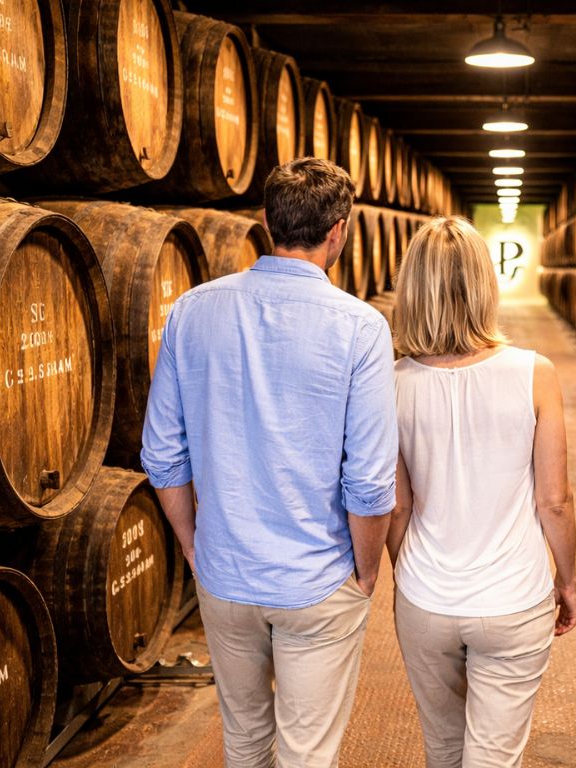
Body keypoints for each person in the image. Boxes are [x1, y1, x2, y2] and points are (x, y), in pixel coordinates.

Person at [141, 158, 397, 768]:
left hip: (225, 572)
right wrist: (364, 574)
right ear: (340, 230)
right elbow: (368, 480)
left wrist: (193, 544)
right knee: (306, 755)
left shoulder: (191, 310)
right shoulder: (361, 328)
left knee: (245, 743)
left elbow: (162, 453)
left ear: (265, 221)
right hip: (318, 578)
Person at [386, 216, 576, 768]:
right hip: (514, 598)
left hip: (425, 597)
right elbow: (554, 501)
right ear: (485, 285)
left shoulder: (392, 383)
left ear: (412, 288)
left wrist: (414, 575)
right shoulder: (534, 373)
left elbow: (397, 506)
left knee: (444, 750)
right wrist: (567, 581)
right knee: (494, 758)